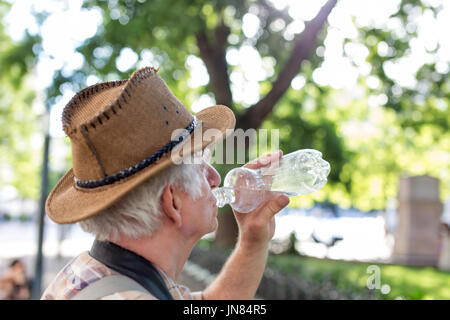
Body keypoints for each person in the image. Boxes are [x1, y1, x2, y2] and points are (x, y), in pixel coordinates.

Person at [41, 66, 289, 300]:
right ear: (172, 202)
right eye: (201, 167)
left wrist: (253, 239)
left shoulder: (93, 272)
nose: (215, 178)